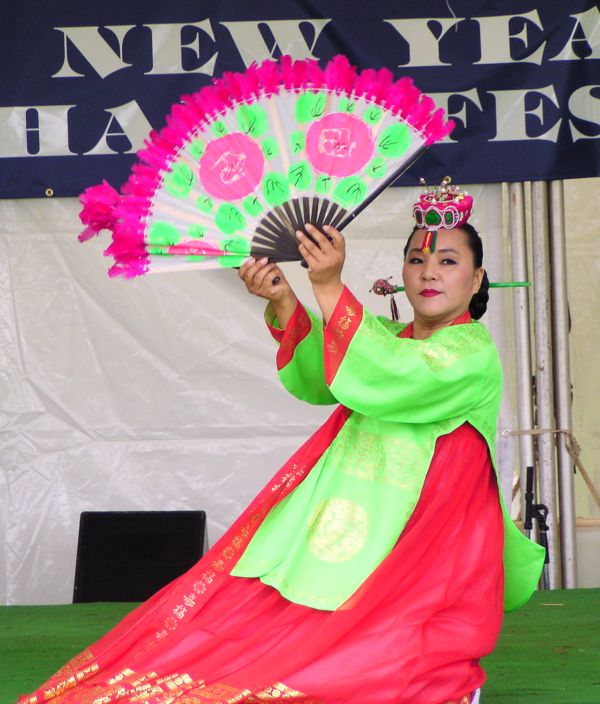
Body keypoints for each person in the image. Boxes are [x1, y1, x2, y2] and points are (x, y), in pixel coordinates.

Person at [17, 185, 544, 704]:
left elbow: (388, 374)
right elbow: (325, 376)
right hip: (354, 517)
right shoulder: (388, 336)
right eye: (416, 258)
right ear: (401, 272)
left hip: (421, 538)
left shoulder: (472, 353)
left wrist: (331, 284)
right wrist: (286, 296)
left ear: (476, 278)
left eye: (448, 261)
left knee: (382, 661)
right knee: (265, 636)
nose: (429, 272)